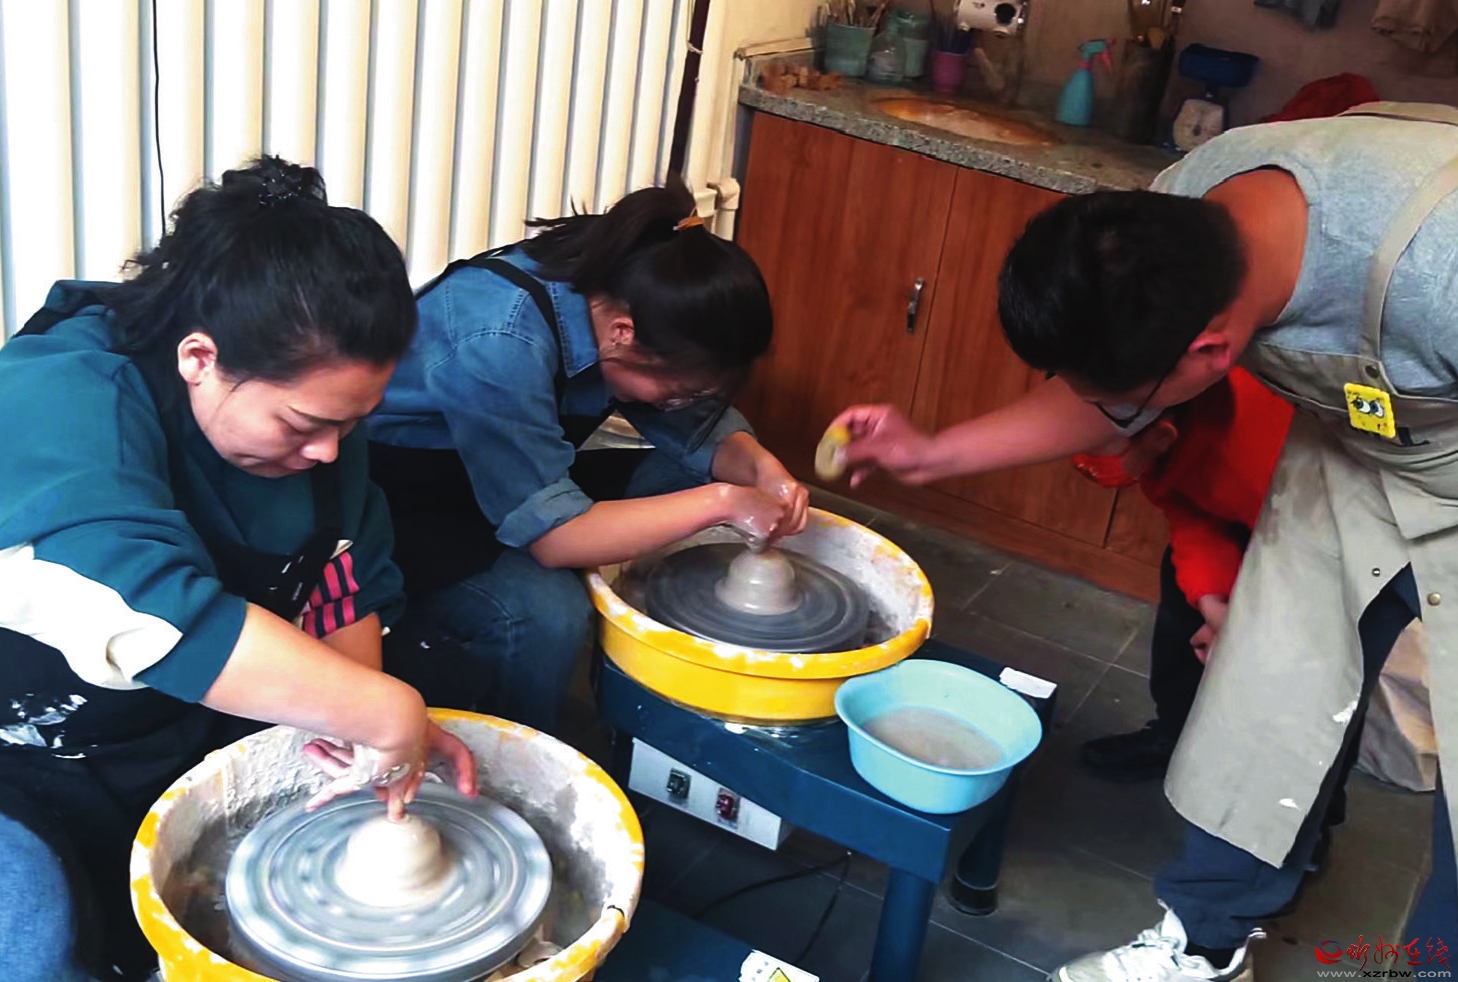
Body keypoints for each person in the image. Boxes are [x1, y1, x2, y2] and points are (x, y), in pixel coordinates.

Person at [831, 101, 1458, 981]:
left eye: (1123, 403)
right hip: (1353, 452)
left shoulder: (1440, 269)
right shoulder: (1181, 208)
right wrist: (932, 453)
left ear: (1213, 354)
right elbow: (1112, 388)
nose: (1110, 413)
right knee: (1265, 694)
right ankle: (1206, 943)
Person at [0, 158, 475, 982]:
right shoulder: (62, 397)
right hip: (23, 752)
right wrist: (383, 709)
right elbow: (144, 611)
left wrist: (361, 739)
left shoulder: (322, 440)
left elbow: (339, 585)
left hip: (178, 725)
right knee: (38, 936)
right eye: (304, 423)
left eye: (351, 423)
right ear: (200, 358)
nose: (329, 451)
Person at [366, 177, 807, 734]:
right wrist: (723, 502)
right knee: (547, 613)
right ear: (624, 333)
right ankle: (517, 751)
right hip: (398, 500)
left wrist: (764, 470)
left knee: (685, 480)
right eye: (680, 390)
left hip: (505, 473)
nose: (682, 404)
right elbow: (557, 539)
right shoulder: (502, 338)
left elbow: (699, 430)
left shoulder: (629, 290)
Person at [1073, 368, 1293, 784]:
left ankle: (1299, 805)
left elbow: (1314, 557)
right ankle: (1174, 736)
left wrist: (1248, 620)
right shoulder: (1161, 420)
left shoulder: (1259, 451)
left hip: (1325, 538)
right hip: (1259, 509)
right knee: (1184, 601)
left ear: (1160, 436)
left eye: (1095, 451)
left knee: (1303, 677)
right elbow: (1191, 510)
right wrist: (1213, 603)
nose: (1085, 463)